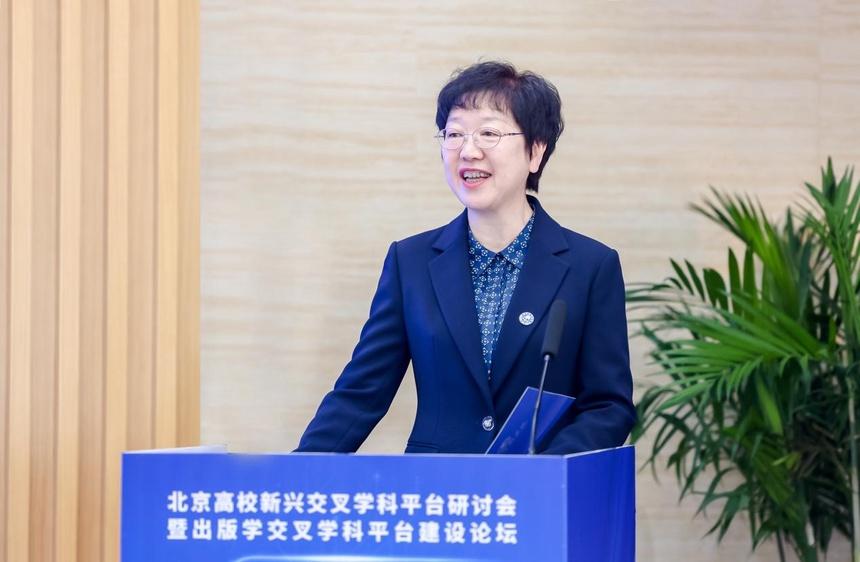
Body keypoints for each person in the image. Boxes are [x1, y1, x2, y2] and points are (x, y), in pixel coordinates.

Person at [296, 61, 635, 455]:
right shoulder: (411, 262)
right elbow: (360, 394)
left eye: (489, 133)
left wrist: (544, 469)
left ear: (535, 151)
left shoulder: (590, 266)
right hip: (437, 487)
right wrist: (295, 475)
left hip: (540, 487)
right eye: (454, 134)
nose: (469, 151)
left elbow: (608, 407)